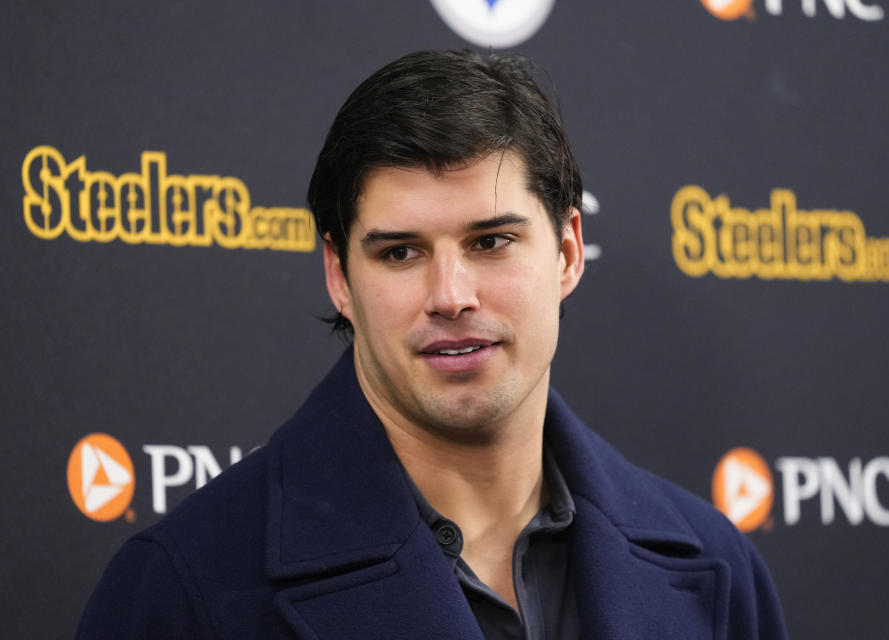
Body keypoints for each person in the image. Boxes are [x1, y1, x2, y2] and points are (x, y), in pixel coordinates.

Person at [76, 50, 788, 639]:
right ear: (338, 275)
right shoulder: (182, 588)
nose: (451, 295)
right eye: (400, 254)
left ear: (569, 251)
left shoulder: (719, 572)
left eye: (491, 241)